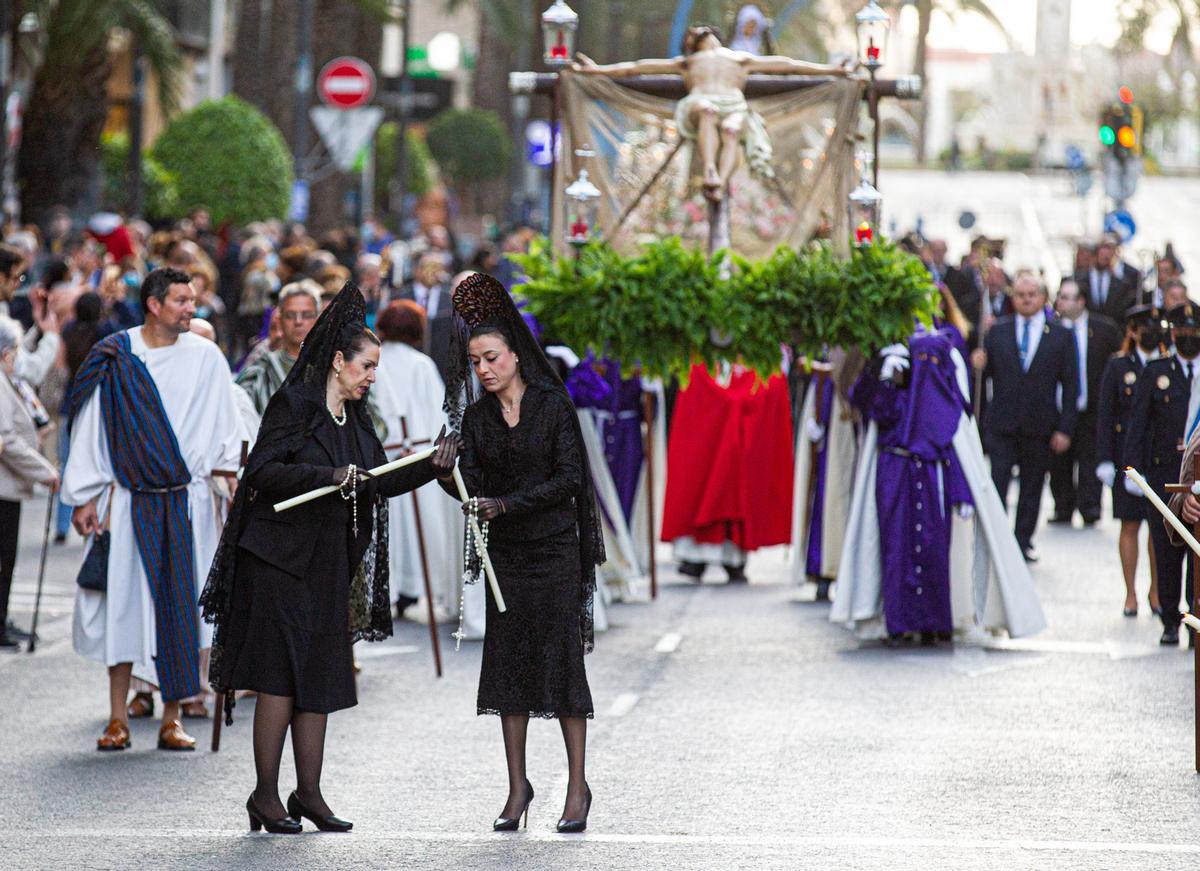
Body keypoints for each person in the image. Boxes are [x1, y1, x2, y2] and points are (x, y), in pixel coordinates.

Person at [200, 282, 456, 834]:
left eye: (374, 368)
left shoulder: (356, 420)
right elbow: (262, 473)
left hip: (324, 563)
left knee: (316, 676)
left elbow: (378, 481)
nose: (371, 377)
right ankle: (265, 797)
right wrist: (328, 478)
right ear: (338, 362)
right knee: (279, 679)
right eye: (365, 366)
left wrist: (432, 465)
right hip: (276, 559)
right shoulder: (295, 404)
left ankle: (308, 794)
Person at [440, 272, 604, 833]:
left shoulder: (552, 407)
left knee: (561, 669)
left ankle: (576, 788)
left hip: (555, 553)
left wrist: (506, 505)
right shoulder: (476, 417)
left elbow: (571, 479)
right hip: (505, 560)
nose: (482, 369)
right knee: (508, 669)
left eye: (491, 357)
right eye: (475, 361)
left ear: (515, 355)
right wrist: (447, 473)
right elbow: (472, 488)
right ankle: (517, 790)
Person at [62, 267, 244, 751]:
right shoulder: (119, 354)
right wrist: (84, 495)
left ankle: (171, 716)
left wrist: (228, 480)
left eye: (193, 300)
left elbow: (226, 426)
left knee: (178, 605)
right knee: (125, 606)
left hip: (187, 501)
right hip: (129, 500)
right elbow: (92, 424)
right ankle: (117, 717)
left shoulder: (207, 358)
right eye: (183, 301)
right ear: (154, 304)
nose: (192, 308)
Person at [832, 325, 1045, 641]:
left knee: (933, 550)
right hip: (896, 473)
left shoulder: (942, 399)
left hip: (932, 476)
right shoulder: (896, 392)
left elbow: (958, 446)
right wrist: (881, 378)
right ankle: (899, 623)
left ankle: (934, 622)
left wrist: (962, 494)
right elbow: (871, 406)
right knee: (896, 549)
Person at [573, 25, 850, 200]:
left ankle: (720, 181)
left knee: (732, 129)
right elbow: (639, 67)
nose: (700, 34)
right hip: (701, 101)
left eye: (703, 32)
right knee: (706, 111)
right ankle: (710, 170)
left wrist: (832, 70)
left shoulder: (739, 58)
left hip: (734, 105)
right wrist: (597, 70)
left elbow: (787, 65)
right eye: (695, 34)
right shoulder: (689, 61)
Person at [971, 272, 1078, 562]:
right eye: (1020, 295)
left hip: (1040, 425)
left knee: (1032, 486)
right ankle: (995, 539)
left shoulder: (1061, 335)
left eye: (1032, 294)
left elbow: (1071, 385)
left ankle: (1022, 541)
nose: (1027, 299)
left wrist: (1065, 429)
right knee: (998, 482)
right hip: (1002, 424)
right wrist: (978, 363)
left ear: (1043, 298)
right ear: (1013, 298)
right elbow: (985, 376)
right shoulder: (998, 331)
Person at [371, 300, 466, 623]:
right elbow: (440, 412)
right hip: (419, 455)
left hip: (389, 455)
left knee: (392, 526)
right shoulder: (421, 364)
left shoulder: (376, 363)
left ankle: (393, 588)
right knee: (418, 524)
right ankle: (412, 588)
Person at [1124, 303, 1200, 646]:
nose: (1189, 338)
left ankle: (1191, 616)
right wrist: (1133, 470)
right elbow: (1138, 423)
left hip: (1196, 478)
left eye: (1194, 332)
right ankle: (1169, 617)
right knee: (1167, 550)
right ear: (1174, 335)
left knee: (1195, 554)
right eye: (1183, 332)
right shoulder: (1156, 371)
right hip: (1163, 474)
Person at [1096, 304, 1163, 617]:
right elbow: (1106, 414)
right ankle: (1130, 593)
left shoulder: (1165, 366)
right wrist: (1105, 459)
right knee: (1130, 524)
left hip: (1157, 457)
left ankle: (1156, 591)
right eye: (1143, 327)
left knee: (1158, 528)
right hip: (1127, 458)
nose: (1148, 332)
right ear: (1133, 332)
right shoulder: (1119, 366)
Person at [0, 316, 60, 648]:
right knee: (3, 559)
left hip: (9, 487)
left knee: (7, 560)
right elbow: (7, 440)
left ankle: (3, 620)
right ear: (7, 353)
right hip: (4, 487)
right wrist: (45, 472)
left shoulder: (9, 380)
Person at [1047, 279, 1121, 526]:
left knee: (1090, 456)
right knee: (1060, 458)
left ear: (1081, 301)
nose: (1061, 302)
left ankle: (1090, 506)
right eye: (1060, 296)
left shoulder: (1104, 329)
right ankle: (1063, 506)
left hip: (1093, 406)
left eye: (1067, 297)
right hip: (1060, 406)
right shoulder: (1052, 329)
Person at [235, 280, 322, 417]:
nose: (298, 321)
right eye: (290, 315)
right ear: (280, 319)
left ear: (318, 319)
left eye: (306, 315)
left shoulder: (333, 366)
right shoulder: (261, 369)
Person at [397, 253, 453, 381]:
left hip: (441, 370)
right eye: (430, 267)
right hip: (407, 369)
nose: (435, 272)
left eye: (439, 268)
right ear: (417, 270)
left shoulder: (450, 298)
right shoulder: (400, 296)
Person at [1077, 236, 1139, 322]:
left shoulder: (1121, 284)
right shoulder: (1079, 280)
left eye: (1109, 253)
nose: (1105, 257)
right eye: (1102, 251)